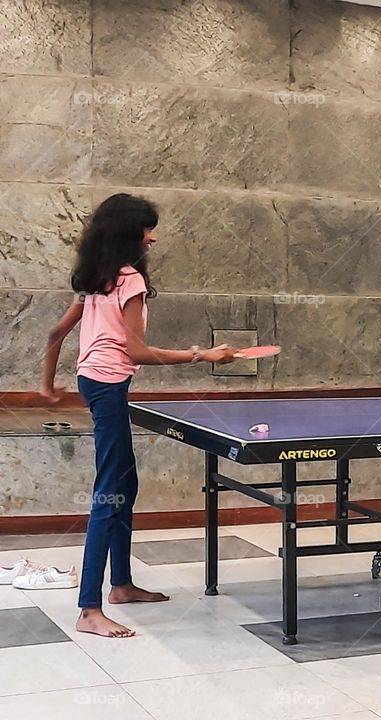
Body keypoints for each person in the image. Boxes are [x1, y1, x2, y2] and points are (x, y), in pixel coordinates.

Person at [40, 193, 237, 638]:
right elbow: (137, 351)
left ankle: (122, 585)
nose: (154, 236)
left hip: (95, 383)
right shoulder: (128, 281)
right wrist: (201, 355)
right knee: (109, 491)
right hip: (108, 387)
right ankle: (89, 608)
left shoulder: (97, 278)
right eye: (148, 228)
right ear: (129, 232)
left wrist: (47, 386)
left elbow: (56, 332)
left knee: (125, 484)